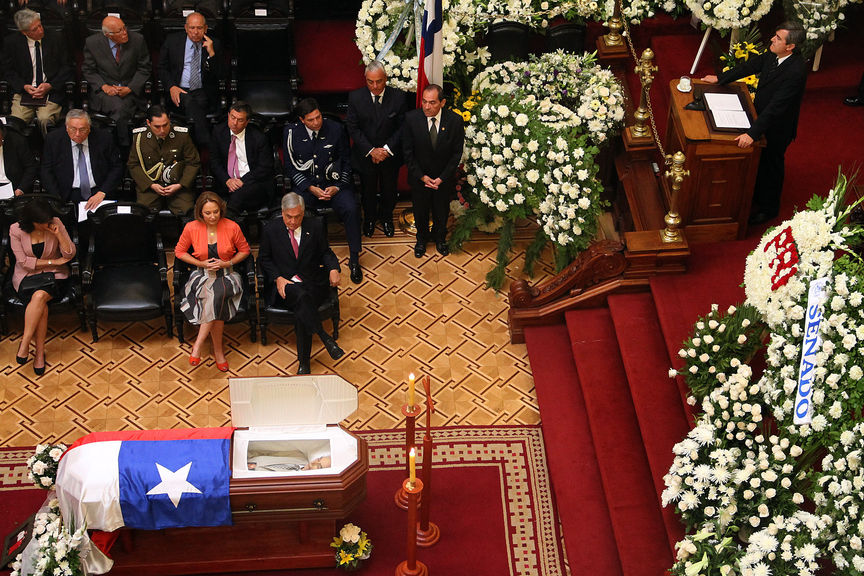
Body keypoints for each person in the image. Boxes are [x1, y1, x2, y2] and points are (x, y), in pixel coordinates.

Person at [701, 21, 807, 225]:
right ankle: (755, 192)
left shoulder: (796, 72)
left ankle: (769, 208)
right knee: (760, 161)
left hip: (777, 127)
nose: (772, 39)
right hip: (761, 114)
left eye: (778, 38)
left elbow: (777, 107)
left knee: (771, 165)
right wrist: (721, 78)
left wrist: (752, 133)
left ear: (790, 46)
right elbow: (750, 66)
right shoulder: (773, 53)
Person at [258, 192, 345, 375]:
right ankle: (324, 338)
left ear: (303, 213)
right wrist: (277, 278)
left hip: (312, 282)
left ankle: (304, 362)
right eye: (289, 217)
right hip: (284, 286)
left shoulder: (315, 226)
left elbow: (326, 252)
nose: (293, 221)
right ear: (282, 213)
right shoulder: (270, 230)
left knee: (302, 304)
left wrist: (333, 268)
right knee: (301, 298)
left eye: (297, 217)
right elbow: (264, 259)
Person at [283, 98, 363, 284]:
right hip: (308, 187)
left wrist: (338, 186)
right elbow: (290, 167)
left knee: (351, 208)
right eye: (311, 120)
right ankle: (306, 257)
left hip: (334, 184)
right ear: (302, 120)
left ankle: (354, 258)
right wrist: (310, 188)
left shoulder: (336, 129)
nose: (316, 122)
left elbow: (346, 160)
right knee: (296, 212)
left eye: (318, 117)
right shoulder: (291, 133)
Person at [175, 192, 250, 372]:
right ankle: (218, 351)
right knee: (216, 298)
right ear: (200, 213)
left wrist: (228, 262)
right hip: (202, 276)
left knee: (216, 294)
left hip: (227, 276)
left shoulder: (232, 226)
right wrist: (200, 263)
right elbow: (179, 252)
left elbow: (245, 250)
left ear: (221, 210)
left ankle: (198, 345)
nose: (213, 216)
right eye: (208, 213)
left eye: (216, 212)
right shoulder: (191, 228)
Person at [10, 198, 76, 376]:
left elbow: (69, 254)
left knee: (39, 297)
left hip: (55, 276)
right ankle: (39, 353)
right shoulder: (15, 229)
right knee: (41, 305)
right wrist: (53, 261)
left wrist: (59, 235)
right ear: (32, 221)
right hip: (27, 277)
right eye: (42, 222)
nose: (47, 224)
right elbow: (23, 262)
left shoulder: (56, 223)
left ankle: (25, 342)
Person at [346, 60, 408, 238]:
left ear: (385, 78)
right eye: (370, 82)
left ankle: (387, 218)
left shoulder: (398, 97)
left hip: (390, 155)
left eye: (379, 81)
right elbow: (353, 128)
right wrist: (371, 150)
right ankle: (370, 219)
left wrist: (385, 150)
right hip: (366, 155)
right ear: (365, 79)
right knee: (368, 191)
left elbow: (402, 127)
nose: (374, 86)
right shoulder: (355, 97)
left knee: (389, 190)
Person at [403, 84, 465, 258]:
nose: (427, 107)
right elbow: (407, 152)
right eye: (424, 102)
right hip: (419, 178)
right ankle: (421, 240)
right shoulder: (411, 119)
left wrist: (442, 178)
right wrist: (421, 176)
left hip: (442, 180)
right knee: (420, 211)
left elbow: (456, 153)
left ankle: (440, 239)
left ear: (442, 103)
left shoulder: (455, 121)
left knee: (441, 211)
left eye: (432, 102)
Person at [82, 16, 151, 147]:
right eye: (119, 31)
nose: (125, 33)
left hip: (130, 91)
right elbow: (88, 70)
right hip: (105, 93)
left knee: (122, 108)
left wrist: (130, 88)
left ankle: (117, 147)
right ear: (108, 34)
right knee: (120, 109)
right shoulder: (92, 43)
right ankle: (126, 147)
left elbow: (145, 68)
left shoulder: (137, 40)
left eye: (124, 28)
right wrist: (104, 86)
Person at [158, 12, 225, 147]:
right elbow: (161, 68)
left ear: (205, 28)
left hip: (202, 90)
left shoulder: (214, 44)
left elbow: (221, 74)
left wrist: (211, 54)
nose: (195, 32)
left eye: (199, 28)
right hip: (178, 88)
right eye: (192, 28)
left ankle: (188, 145)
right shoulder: (172, 41)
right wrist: (171, 86)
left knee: (195, 102)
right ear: (186, 28)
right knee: (189, 100)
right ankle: (206, 143)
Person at [1, 9, 72, 135]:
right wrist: (24, 86)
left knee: (45, 119)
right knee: (16, 122)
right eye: (35, 29)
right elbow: (8, 71)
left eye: (40, 25)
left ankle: (49, 146)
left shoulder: (56, 38)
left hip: (50, 91)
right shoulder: (11, 43)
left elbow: (67, 67)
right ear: (24, 32)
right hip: (24, 92)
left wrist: (50, 85)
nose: (40, 30)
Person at [40, 109, 123, 210]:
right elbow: (46, 171)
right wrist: (57, 198)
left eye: (82, 129)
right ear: (66, 128)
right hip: (67, 193)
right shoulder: (54, 139)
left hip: (99, 192)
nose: (78, 134)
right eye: (73, 129)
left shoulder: (104, 138)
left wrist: (102, 192)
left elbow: (117, 167)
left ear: (89, 128)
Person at [128, 105, 201, 214]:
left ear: (169, 120)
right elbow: (133, 164)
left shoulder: (182, 136)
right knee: (144, 213)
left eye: (165, 125)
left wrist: (181, 184)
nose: (162, 130)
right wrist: (151, 185)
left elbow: (193, 162)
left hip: (178, 185)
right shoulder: (140, 137)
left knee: (186, 212)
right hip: (151, 186)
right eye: (157, 127)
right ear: (148, 123)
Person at [210, 101, 273, 215]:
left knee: (237, 196)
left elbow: (264, 167)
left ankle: (227, 221)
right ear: (228, 115)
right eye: (232, 117)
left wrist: (242, 181)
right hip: (226, 182)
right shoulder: (218, 132)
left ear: (247, 122)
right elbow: (214, 162)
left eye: (240, 120)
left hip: (252, 182)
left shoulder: (258, 137)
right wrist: (227, 180)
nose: (235, 123)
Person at [0, 124, 38, 197]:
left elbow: (31, 167)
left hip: (13, 187)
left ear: (2, 133)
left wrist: (21, 189)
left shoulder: (17, 141)